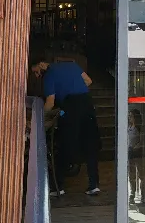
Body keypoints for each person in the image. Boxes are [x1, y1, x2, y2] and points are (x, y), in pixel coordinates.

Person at [32, 58, 101, 197]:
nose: (37, 75)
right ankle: (94, 185)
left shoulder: (49, 75)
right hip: (87, 104)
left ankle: (58, 187)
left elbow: (50, 103)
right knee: (90, 144)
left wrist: (38, 117)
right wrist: (73, 85)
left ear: (42, 65)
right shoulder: (72, 65)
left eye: (36, 71)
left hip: (70, 106)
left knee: (64, 144)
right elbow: (88, 81)